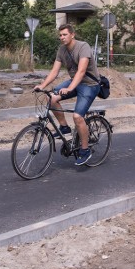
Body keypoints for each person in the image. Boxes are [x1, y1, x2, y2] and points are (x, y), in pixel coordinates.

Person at [34, 23, 101, 165]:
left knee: (77, 116)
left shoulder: (83, 47)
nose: (62, 37)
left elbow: (81, 71)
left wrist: (70, 88)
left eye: (64, 34)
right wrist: (42, 85)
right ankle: (64, 128)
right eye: (60, 35)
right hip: (75, 83)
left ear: (72, 34)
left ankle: (85, 150)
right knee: (51, 97)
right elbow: (54, 71)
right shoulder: (62, 50)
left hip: (90, 85)